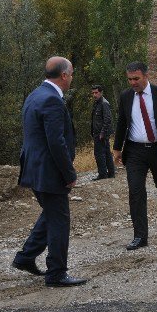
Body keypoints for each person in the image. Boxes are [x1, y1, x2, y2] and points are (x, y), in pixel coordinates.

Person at [12, 56, 87, 287]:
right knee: (59, 221)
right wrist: (69, 174)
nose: (72, 78)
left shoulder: (35, 95)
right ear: (64, 75)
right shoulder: (52, 101)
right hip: (50, 172)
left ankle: (25, 257)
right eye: (71, 74)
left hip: (35, 170)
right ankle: (56, 273)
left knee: (51, 215)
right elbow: (56, 142)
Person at [113, 62, 157, 250]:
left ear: (146, 76)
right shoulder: (126, 96)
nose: (133, 82)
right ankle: (140, 236)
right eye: (129, 79)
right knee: (136, 191)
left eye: (136, 78)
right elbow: (121, 122)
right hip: (135, 151)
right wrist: (117, 147)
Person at [91, 85, 115, 180]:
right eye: (93, 93)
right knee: (106, 153)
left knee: (99, 154)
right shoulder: (97, 103)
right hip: (98, 133)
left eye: (96, 92)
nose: (94, 95)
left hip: (101, 134)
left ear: (101, 92)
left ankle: (102, 174)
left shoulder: (104, 103)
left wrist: (102, 133)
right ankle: (111, 173)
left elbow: (107, 119)